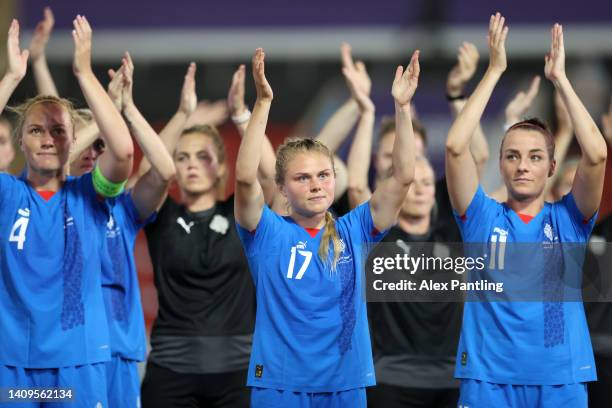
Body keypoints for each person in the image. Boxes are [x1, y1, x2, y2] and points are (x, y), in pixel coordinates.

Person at [234, 47, 418, 407]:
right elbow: (244, 178)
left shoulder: (356, 229)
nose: (316, 184)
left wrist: (402, 108)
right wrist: (263, 103)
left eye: (323, 175)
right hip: (279, 384)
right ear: (282, 189)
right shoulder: (267, 233)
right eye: (302, 178)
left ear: (335, 179)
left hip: (344, 383)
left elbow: (403, 176)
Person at [445, 14, 606, 407]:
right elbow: (455, 146)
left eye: (535, 157)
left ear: (552, 168)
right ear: (499, 165)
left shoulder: (569, 220)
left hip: (559, 378)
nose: (522, 165)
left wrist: (561, 81)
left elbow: (597, 154)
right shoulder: (481, 217)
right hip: (488, 380)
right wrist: (495, 70)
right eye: (512, 156)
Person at [0, 16, 133, 407]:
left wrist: (84, 73)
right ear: (20, 141)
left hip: (77, 361)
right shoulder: (7, 194)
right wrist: (10, 78)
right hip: (13, 364)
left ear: (74, 141)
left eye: (59, 131)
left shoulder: (88, 195)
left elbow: (123, 152)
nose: (47, 139)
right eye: (36, 130)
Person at [140, 62, 271, 408]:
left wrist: (244, 114)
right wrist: (184, 115)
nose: (192, 164)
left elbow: (271, 180)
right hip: (170, 371)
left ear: (223, 166)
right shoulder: (162, 216)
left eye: (203, 156)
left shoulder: (240, 215)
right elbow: (149, 173)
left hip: (239, 373)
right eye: (182, 158)